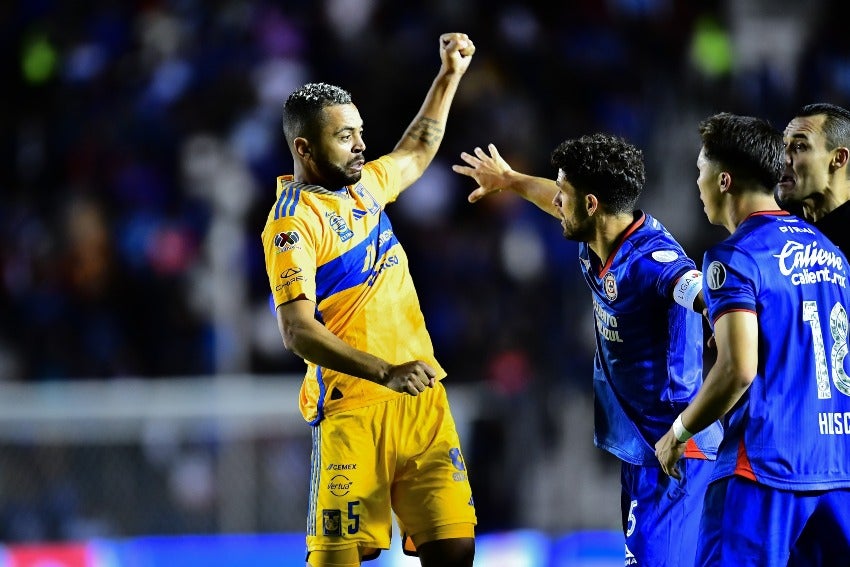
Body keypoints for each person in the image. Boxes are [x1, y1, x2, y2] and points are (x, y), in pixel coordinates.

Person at [452, 136, 723, 566]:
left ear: (592, 204)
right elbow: (551, 200)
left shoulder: (652, 259)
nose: (557, 201)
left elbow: (697, 288)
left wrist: (723, 319)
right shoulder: (598, 236)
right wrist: (511, 179)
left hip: (675, 451)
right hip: (643, 448)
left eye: (565, 193)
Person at [261, 33, 477, 567]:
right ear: (304, 149)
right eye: (344, 137)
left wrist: (448, 75)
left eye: (359, 132)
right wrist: (385, 371)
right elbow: (297, 330)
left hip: (421, 400)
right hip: (354, 411)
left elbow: (417, 148)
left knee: (455, 551)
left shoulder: (368, 187)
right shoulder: (292, 222)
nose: (360, 144)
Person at [655, 112, 850, 565]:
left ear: (723, 181)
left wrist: (679, 433)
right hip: (837, 471)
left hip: (763, 468)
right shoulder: (833, 253)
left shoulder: (733, 256)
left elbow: (738, 369)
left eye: (700, 171)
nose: (696, 184)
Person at [777, 102, 850, 254]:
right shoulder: (777, 223)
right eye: (783, 146)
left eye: (799, 146)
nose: (783, 159)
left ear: (839, 158)